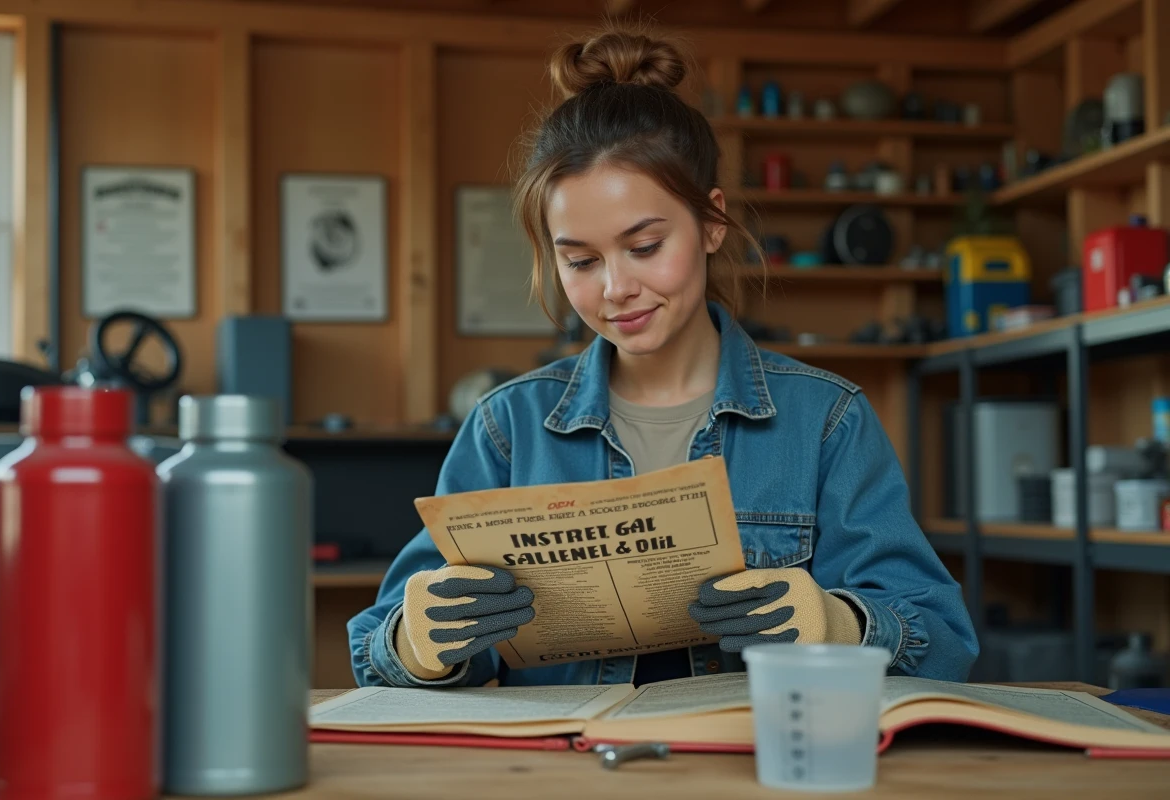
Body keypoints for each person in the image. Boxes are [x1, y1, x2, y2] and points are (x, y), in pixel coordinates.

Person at [347, 26, 978, 689]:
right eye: (580, 260)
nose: (615, 288)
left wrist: (840, 623)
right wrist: (415, 643)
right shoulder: (507, 428)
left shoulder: (827, 420)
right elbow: (379, 646)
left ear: (711, 222)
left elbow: (945, 641)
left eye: (644, 246)